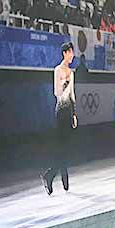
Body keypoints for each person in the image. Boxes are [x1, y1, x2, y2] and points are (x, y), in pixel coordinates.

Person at [41, 42, 78, 194]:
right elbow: (57, 92)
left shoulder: (72, 72)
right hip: (61, 110)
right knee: (62, 146)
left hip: (69, 110)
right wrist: (65, 82)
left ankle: (58, 178)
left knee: (66, 147)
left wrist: (74, 113)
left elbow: (72, 94)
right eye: (71, 52)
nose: (73, 55)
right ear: (65, 53)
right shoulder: (58, 70)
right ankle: (53, 176)